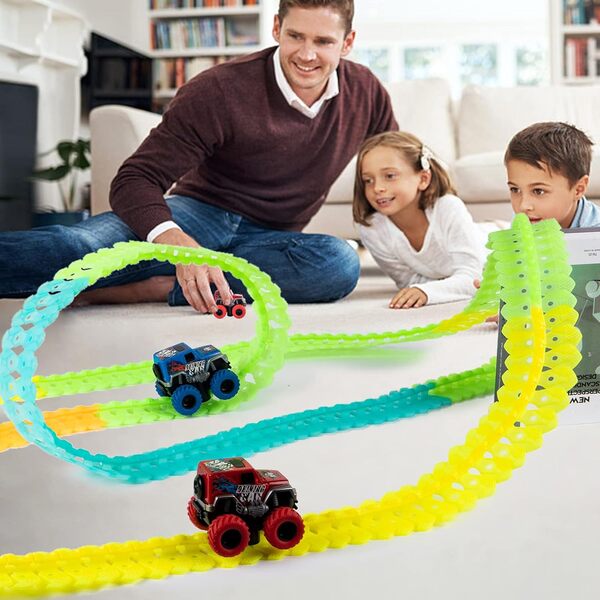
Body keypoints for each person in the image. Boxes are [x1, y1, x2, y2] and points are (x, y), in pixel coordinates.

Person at [0, 0, 398, 313]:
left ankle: (160, 287)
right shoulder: (220, 89)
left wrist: (428, 260)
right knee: (80, 245)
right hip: (198, 213)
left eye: (324, 42)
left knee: (338, 264)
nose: (307, 54)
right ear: (277, 28)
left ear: (347, 42)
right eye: (296, 36)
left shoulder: (365, 91)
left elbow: (398, 167)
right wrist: (180, 245)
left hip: (272, 236)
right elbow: (134, 179)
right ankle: (183, 270)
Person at [353, 131, 487, 309]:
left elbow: (475, 278)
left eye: (390, 176)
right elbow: (408, 281)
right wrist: (430, 288)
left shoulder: (448, 207)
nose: (377, 188)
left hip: (504, 243)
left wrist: (428, 291)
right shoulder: (372, 228)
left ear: (423, 179)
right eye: (368, 180)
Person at [504, 121, 600, 228]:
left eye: (538, 191)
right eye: (515, 190)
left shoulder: (595, 232)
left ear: (578, 189)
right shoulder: (529, 218)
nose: (523, 206)